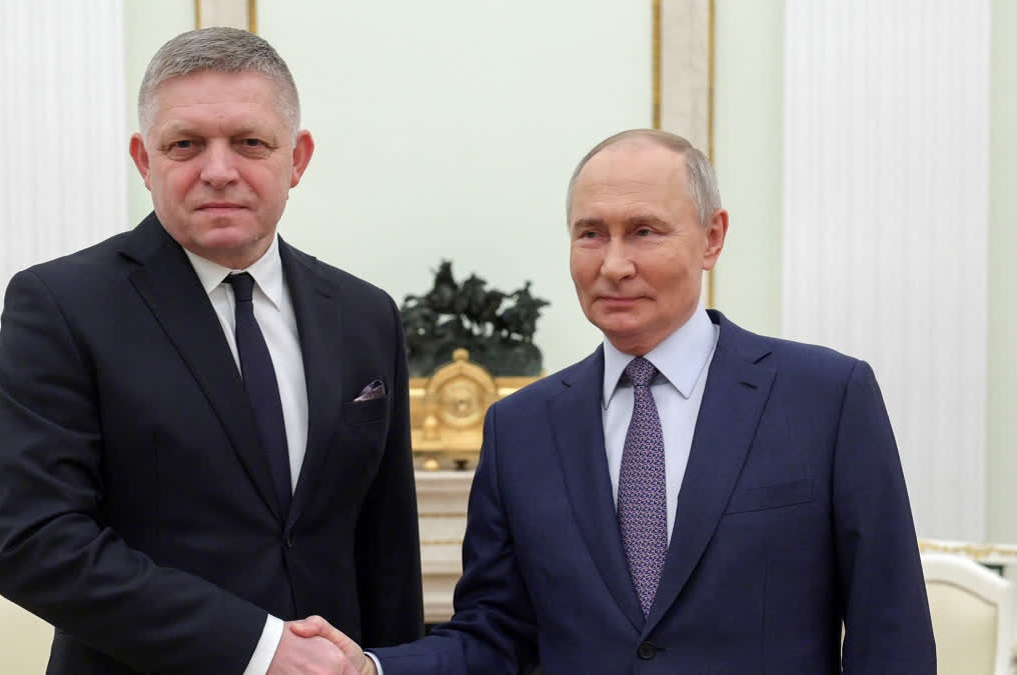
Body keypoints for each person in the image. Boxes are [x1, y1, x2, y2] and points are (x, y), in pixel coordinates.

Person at [293, 129, 937, 673]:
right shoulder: (521, 427)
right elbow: (495, 635)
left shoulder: (826, 398)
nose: (615, 264)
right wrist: (369, 668)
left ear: (712, 237)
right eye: (592, 234)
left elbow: (891, 631)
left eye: (645, 232)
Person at [0, 27, 423, 675]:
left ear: (296, 158)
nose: (219, 170)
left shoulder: (365, 315)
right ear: (143, 159)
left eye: (249, 142)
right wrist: (257, 646)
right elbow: (34, 541)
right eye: (186, 144)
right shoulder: (60, 306)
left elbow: (387, 549)